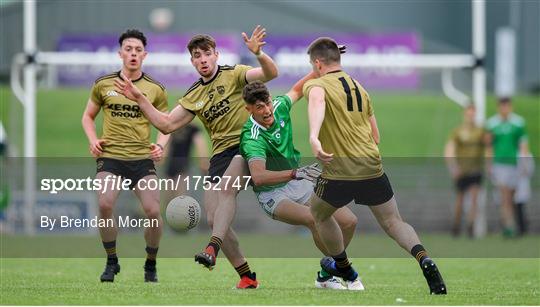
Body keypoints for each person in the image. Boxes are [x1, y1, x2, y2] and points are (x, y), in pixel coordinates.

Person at [114, 26, 278, 288]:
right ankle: (247, 276)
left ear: (216, 55)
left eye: (206, 54)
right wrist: (139, 98)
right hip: (221, 154)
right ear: (192, 61)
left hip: (249, 143)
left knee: (224, 194)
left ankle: (211, 248)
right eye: (196, 56)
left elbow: (270, 73)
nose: (202, 59)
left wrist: (258, 53)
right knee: (214, 219)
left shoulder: (234, 74)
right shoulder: (194, 95)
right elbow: (166, 125)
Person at [303, 37, 446, 293]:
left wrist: (314, 135)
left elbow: (317, 101)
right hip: (371, 166)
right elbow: (376, 137)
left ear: (317, 63)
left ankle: (342, 267)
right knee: (394, 222)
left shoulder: (317, 84)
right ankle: (424, 257)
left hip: (339, 169)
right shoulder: (361, 88)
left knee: (318, 214)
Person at [239, 78, 358, 290]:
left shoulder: (279, 105)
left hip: (298, 180)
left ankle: (327, 272)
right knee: (314, 218)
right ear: (249, 109)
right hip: (273, 193)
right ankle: (344, 269)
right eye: (259, 107)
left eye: (267, 103)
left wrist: (322, 68)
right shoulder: (252, 136)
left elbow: (298, 87)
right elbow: (259, 177)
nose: (267, 110)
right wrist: (295, 173)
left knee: (349, 221)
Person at [81, 29, 170, 282]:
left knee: (153, 212)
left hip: (141, 160)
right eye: (128, 49)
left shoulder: (155, 89)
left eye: (138, 50)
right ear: (120, 53)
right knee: (105, 203)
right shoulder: (103, 84)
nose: (133, 54)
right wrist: (93, 140)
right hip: (111, 157)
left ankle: (150, 263)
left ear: (145, 55)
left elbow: (166, 124)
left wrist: (161, 145)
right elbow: (87, 116)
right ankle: (111, 261)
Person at [486, 97, 529, 238]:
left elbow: (523, 144)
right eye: (502, 106)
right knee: (504, 196)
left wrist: (524, 163)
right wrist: (489, 163)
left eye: (507, 106)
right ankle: (509, 227)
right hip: (500, 164)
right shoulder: (492, 123)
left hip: (514, 164)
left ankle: (508, 225)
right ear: (499, 107)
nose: (504, 109)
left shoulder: (518, 122)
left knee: (511, 197)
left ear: (510, 107)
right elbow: (489, 146)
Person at [444, 105, 486, 237]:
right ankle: (456, 226)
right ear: (465, 114)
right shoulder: (458, 131)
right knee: (460, 201)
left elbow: (488, 147)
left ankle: (470, 227)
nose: (471, 116)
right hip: (462, 171)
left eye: (473, 114)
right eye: (469, 114)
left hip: (475, 169)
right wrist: (453, 167)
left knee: (474, 199)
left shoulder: (480, 131)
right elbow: (449, 150)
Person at [164, 123, 209, 201]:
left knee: (178, 196)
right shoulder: (173, 125)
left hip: (181, 164)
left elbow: (200, 146)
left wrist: (203, 161)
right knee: (172, 197)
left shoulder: (192, 128)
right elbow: (166, 145)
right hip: (173, 164)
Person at [514, 151, 534, 236]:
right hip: (513, 185)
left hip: (521, 185)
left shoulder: (526, 154)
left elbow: (529, 170)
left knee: (520, 208)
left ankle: (522, 228)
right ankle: (515, 228)